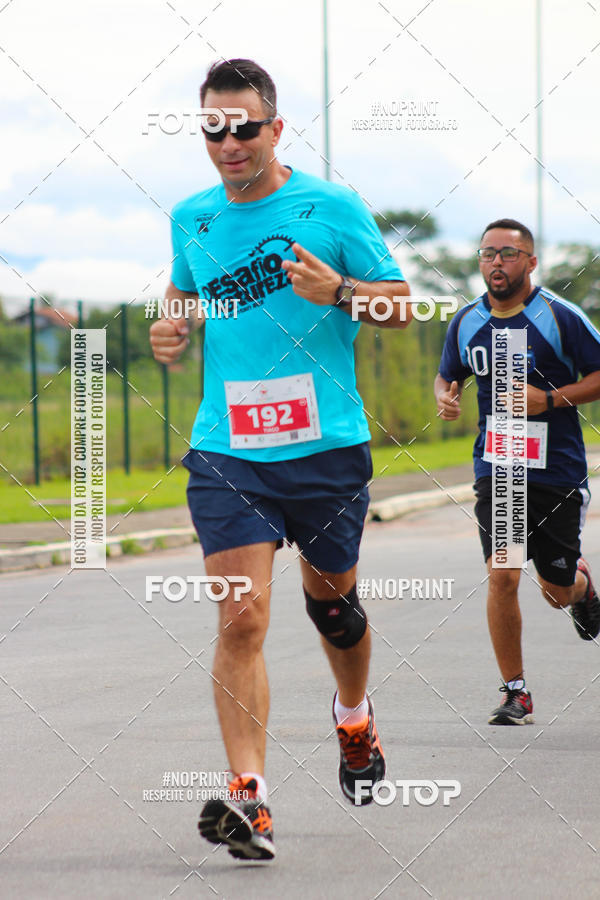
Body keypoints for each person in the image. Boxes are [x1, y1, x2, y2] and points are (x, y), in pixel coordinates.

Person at [150, 58, 411, 860]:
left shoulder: (332, 207)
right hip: (228, 452)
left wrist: (340, 292)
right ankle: (251, 799)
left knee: (334, 610)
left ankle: (354, 717)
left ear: (276, 128)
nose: (229, 143)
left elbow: (401, 305)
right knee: (242, 617)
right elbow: (183, 292)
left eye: (244, 127)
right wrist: (172, 326)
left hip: (326, 448)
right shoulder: (190, 217)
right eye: (213, 129)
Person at [435, 218, 600, 726]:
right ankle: (516, 692)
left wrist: (548, 399)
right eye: (487, 253)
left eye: (508, 253)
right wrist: (445, 396)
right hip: (498, 467)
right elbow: (447, 374)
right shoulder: (466, 322)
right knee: (503, 575)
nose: (496, 262)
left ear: (530, 261)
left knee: (554, 590)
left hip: (557, 470)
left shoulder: (559, 316)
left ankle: (580, 587)